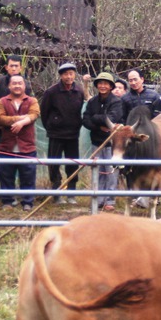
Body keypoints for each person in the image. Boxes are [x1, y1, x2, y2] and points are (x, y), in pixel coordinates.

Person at [40, 62, 86, 192]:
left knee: (73, 162)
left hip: (73, 134)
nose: (69, 77)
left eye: (71, 73)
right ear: (61, 76)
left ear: (75, 75)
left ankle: (71, 190)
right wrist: (52, 126)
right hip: (56, 134)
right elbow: (44, 113)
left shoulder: (79, 91)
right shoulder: (51, 92)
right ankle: (56, 189)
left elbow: (80, 110)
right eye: (66, 74)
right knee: (54, 162)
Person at [82, 71, 124, 211]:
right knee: (98, 170)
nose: (103, 86)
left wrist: (96, 118)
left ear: (111, 86)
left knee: (111, 171)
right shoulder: (92, 101)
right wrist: (99, 125)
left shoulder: (116, 102)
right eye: (100, 83)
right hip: (96, 141)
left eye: (106, 83)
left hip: (112, 143)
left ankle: (110, 200)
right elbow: (86, 120)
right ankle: (98, 198)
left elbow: (111, 119)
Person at [0, 74, 39, 209]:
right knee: (6, 176)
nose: (17, 86)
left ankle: (27, 202)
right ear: (9, 86)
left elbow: (34, 114)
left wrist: (23, 122)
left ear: (24, 86)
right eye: (14, 83)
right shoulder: (2, 101)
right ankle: (7, 201)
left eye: (20, 83)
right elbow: (0, 118)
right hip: (6, 146)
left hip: (27, 147)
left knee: (28, 176)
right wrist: (19, 119)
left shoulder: (32, 101)